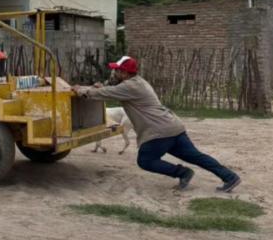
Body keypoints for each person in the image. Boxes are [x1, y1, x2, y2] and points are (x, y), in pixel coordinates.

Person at [72, 56, 241, 192]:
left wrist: (81, 90)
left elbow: (106, 93)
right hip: (172, 126)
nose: (114, 72)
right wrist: (96, 88)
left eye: (117, 70)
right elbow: (108, 89)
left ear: (124, 72)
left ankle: (183, 173)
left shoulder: (130, 87)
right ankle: (229, 177)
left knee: (145, 160)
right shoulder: (138, 82)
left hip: (159, 131)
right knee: (196, 156)